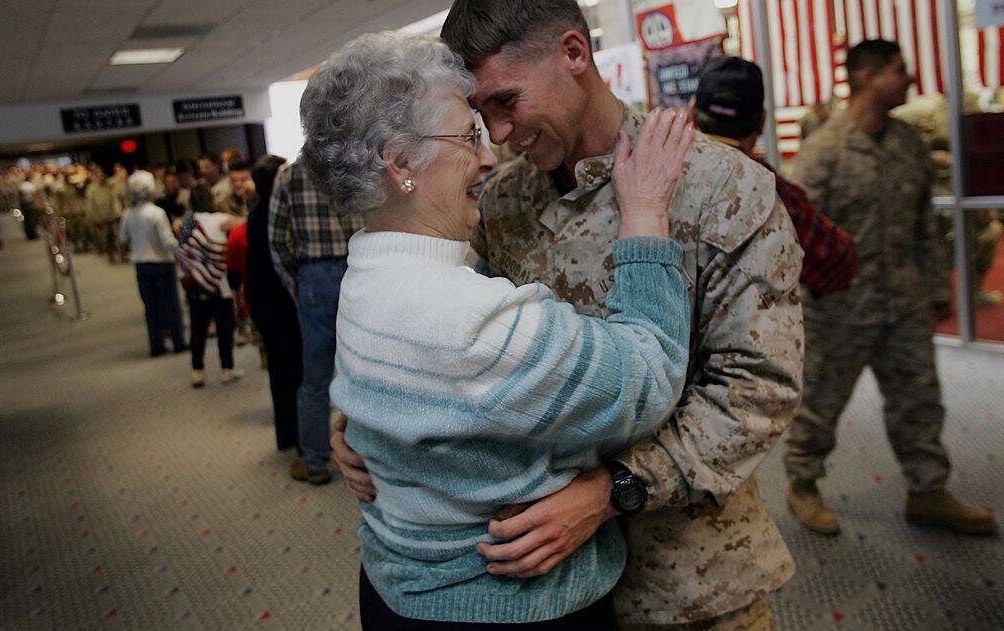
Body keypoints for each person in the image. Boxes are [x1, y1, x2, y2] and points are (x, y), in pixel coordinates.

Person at [334, 0, 804, 629]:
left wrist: (614, 490)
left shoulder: (718, 187)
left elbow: (758, 391)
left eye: (506, 101)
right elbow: (444, 339)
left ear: (575, 53)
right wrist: (366, 417)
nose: (498, 135)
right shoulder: (503, 201)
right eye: (480, 116)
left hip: (687, 579)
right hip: (544, 591)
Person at [305, 32, 693, 629]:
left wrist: (363, 427)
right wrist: (644, 216)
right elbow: (649, 377)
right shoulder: (469, 323)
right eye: (468, 137)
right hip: (508, 609)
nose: (490, 156)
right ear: (400, 163)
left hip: (399, 591)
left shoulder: (366, 272)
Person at [782, 39, 998, 537]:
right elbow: (798, 238)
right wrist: (803, 306)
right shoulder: (824, 151)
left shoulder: (908, 143)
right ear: (867, 77)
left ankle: (928, 490)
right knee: (821, 403)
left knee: (919, 399)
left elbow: (925, 224)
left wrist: (938, 286)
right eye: (899, 70)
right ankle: (803, 482)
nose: (909, 79)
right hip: (839, 307)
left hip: (904, 301)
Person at [694, 56, 858, 295]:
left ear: (692, 114)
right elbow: (835, 265)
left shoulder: (656, 178)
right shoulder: (771, 191)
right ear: (762, 122)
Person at [268, 157, 364, 484]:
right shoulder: (349, 166)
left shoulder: (289, 176)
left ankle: (314, 461)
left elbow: (276, 238)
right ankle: (367, 457)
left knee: (315, 377)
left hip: (314, 276)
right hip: (356, 269)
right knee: (361, 370)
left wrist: (293, 279)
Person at [244, 155, 302, 452]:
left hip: (261, 298)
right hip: (280, 299)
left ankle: (286, 434)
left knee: (278, 368)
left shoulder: (256, 211)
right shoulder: (277, 212)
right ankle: (303, 437)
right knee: (295, 367)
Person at [176, 183, 243, 387]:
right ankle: (226, 369)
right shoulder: (222, 219)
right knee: (224, 327)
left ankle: (197, 370)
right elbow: (243, 224)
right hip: (219, 283)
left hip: (195, 284)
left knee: (198, 328)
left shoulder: (186, 224)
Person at [118, 170, 186, 357]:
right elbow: (167, 241)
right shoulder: (157, 213)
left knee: (151, 307)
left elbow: (123, 238)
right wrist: (183, 253)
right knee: (171, 304)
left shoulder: (128, 214)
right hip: (162, 263)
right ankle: (178, 341)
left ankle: (156, 345)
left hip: (141, 264)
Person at [86, 163, 123, 263]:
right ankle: (110, 256)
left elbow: (115, 200)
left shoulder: (110, 186)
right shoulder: (92, 189)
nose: (101, 177)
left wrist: (118, 213)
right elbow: (91, 206)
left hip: (112, 216)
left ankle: (120, 255)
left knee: (116, 236)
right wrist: (95, 218)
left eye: (102, 175)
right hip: (101, 217)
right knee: (106, 238)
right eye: (98, 175)